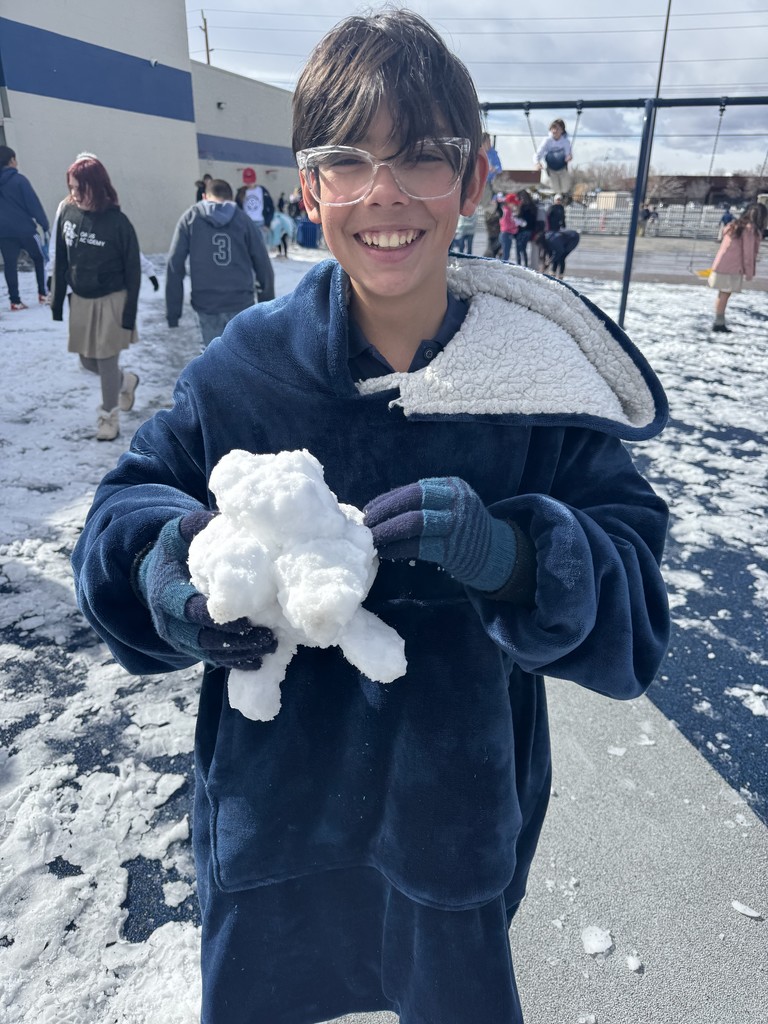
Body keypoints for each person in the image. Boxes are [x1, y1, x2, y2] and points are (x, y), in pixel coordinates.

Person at [71, 11, 670, 1024]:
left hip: (452, 840)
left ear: (472, 182)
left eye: (422, 158)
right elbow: (119, 515)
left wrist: (517, 555)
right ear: (309, 189)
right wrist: (173, 576)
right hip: (271, 835)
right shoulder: (243, 371)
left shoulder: (536, 381)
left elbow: (636, 613)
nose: (385, 193)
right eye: (348, 160)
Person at [50, 154, 141, 441]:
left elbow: (133, 271)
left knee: (104, 362)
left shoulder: (118, 223)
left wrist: (129, 314)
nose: (74, 194)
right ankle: (126, 382)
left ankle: (108, 417)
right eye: (71, 187)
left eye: (80, 188)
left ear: (97, 186)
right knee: (87, 362)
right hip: (81, 299)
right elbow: (61, 259)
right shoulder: (68, 212)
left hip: (112, 300)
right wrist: (56, 301)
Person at [166, 177, 275, 348]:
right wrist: (266, 304)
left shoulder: (190, 218)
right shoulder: (243, 220)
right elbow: (262, 263)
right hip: (241, 302)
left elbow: (174, 265)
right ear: (231, 199)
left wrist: (173, 312)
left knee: (212, 362)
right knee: (243, 359)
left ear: (204, 196)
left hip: (206, 304)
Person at [0, 145, 49, 310]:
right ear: (11, 160)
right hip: (25, 229)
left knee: (10, 264)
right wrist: (44, 223)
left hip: (3, 232)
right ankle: (43, 293)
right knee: (39, 258)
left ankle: (15, 301)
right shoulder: (20, 180)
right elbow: (33, 204)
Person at [708, 201, 768, 333]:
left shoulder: (735, 226)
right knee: (725, 293)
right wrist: (749, 273)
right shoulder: (748, 229)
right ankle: (719, 323)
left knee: (723, 293)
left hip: (723, 265)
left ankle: (719, 321)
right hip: (732, 267)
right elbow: (748, 253)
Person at [543, 194, 580, 279]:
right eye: (557, 200)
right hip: (552, 230)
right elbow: (547, 219)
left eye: (560, 200)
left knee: (560, 254)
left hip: (559, 231)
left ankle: (559, 274)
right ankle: (553, 271)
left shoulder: (561, 208)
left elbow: (563, 219)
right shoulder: (552, 208)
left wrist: (563, 227)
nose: (559, 201)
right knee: (557, 252)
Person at [235, 167, 275, 240]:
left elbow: (271, 208)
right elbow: (237, 209)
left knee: (261, 248)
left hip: (261, 224)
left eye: (251, 181)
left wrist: (267, 224)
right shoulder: (241, 192)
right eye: (247, 181)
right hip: (246, 224)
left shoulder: (262, 191)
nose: (249, 183)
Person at [535, 118, 572, 196]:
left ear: (562, 130)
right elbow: (538, 153)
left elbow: (568, 154)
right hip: (551, 170)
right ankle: (558, 198)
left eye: (557, 129)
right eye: (553, 129)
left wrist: (569, 157)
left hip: (562, 169)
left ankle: (564, 196)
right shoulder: (547, 141)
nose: (555, 131)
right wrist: (537, 163)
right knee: (555, 189)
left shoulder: (565, 142)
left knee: (565, 188)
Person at [514, 189, 538, 267]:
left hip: (522, 230)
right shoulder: (533, 206)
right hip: (530, 230)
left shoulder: (522, 206)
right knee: (524, 248)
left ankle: (519, 264)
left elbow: (519, 217)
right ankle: (526, 265)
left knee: (518, 248)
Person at [499, 192, 520, 262]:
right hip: (506, 234)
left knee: (505, 254)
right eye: (513, 203)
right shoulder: (506, 211)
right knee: (506, 255)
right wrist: (515, 225)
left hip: (506, 234)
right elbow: (507, 224)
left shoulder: (508, 210)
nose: (514, 205)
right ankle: (502, 270)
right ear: (509, 202)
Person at [483, 191, 504, 257]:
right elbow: (488, 220)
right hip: (492, 233)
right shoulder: (489, 211)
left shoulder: (498, 210)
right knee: (491, 250)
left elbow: (501, 216)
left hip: (497, 233)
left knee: (497, 249)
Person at [482, 131, 503, 198]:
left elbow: (499, 168)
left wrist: (494, 168)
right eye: (487, 141)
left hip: (489, 182)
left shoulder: (493, 153)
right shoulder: (476, 153)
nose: (489, 143)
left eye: (490, 141)